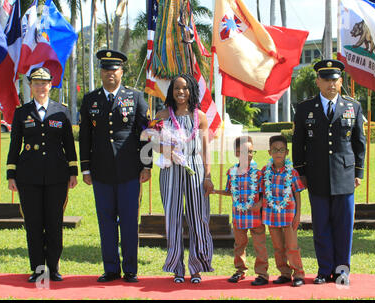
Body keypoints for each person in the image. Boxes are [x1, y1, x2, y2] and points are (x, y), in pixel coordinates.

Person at [79, 49, 151, 283]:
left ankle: (130, 269)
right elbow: (86, 135)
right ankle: (111, 268)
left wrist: (146, 166)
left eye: (114, 69)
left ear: (122, 72)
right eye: (105, 69)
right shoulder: (91, 99)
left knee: (129, 221)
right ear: (101, 72)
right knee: (106, 221)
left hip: (130, 171)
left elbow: (146, 134)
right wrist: (86, 168)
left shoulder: (136, 97)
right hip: (101, 172)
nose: (110, 73)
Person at [292, 59, 366, 285]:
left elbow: (359, 142)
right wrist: (301, 173)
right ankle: (324, 270)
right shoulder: (305, 108)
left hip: (344, 175)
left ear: (341, 81)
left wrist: (358, 172)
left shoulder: (353, 106)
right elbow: (298, 143)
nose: (330, 84)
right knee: (321, 225)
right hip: (317, 175)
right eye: (325, 80)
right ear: (318, 81)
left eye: (334, 80)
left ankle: (342, 271)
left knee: (344, 227)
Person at [6, 67, 78, 282]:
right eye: (36, 83)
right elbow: (14, 145)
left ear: (50, 85)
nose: (40, 87)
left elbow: (69, 145)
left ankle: (53, 267)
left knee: (54, 222)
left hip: (57, 175)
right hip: (28, 176)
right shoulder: (21, 112)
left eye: (44, 83)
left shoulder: (61, 111)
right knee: (34, 223)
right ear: (31, 86)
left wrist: (73, 171)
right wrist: (11, 174)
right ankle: (37, 268)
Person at [154, 74, 214, 284]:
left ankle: (196, 267)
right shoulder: (162, 115)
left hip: (195, 169)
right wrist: (165, 148)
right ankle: (177, 267)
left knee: (198, 217)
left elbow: (206, 149)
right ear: (171, 91)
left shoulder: (201, 116)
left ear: (191, 91)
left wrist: (207, 176)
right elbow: (151, 141)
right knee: (173, 217)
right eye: (177, 88)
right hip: (171, 169)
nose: (181, 92)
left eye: (185, 88)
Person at [212, 136, 269, 286]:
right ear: (236, 153)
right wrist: (215, 191)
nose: (248, 155)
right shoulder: (232, 172)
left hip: (255, 217)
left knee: (259, 245)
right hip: (238, 216)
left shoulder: (258, 174)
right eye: (244, 151)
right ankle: (240, 270)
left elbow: (265, 193)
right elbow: (230, 191)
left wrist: (260, 203)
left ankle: (262, 273)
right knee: (239, 245)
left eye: (251, 151)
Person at [257, 135, 306, 287]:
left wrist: (298, 215)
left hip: (288, 216)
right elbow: (261, 193)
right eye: (275, 150)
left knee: (292, 247)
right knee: (278, 247)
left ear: (287, 152)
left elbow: (297, 194)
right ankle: (284, 273)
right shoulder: (264, 172)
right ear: (269, 152)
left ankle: (298, 274)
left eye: (281, 150)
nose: (278, 153)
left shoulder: (292, 172)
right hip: (271, 216)